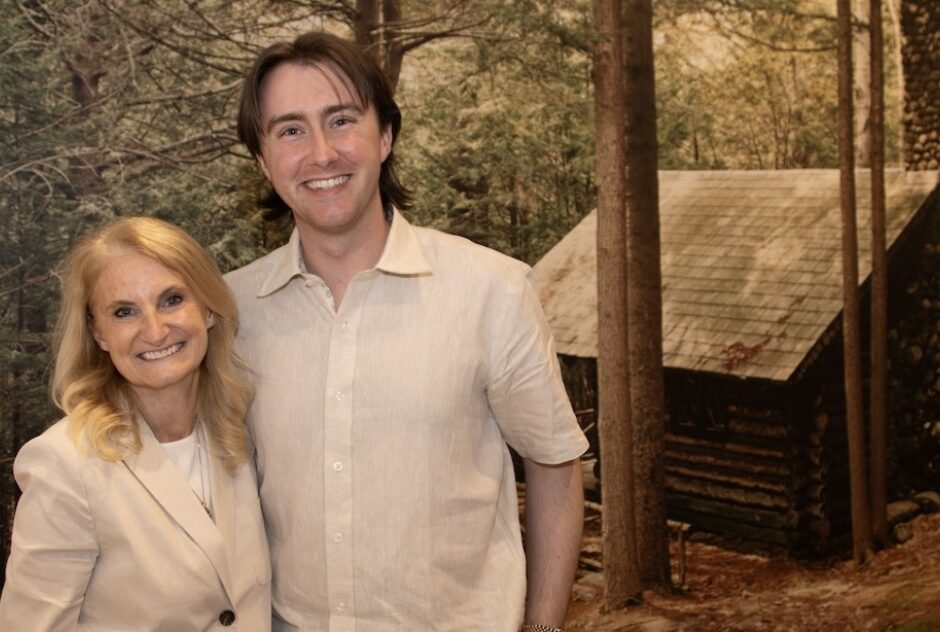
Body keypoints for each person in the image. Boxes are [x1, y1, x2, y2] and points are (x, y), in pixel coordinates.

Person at [227, 32, 588, 632]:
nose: (321, 153)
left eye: (341, 120)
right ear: (263, 161)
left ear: (385, 136)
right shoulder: (233, 312)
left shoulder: (491, 290)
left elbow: (553, 464)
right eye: (290, 130)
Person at [0, 217, 271, 631]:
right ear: (99, 334)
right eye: (124, 311)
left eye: (172, 299)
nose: (156, 330)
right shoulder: (65, 464)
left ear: (209, 309)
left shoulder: (243, 430)